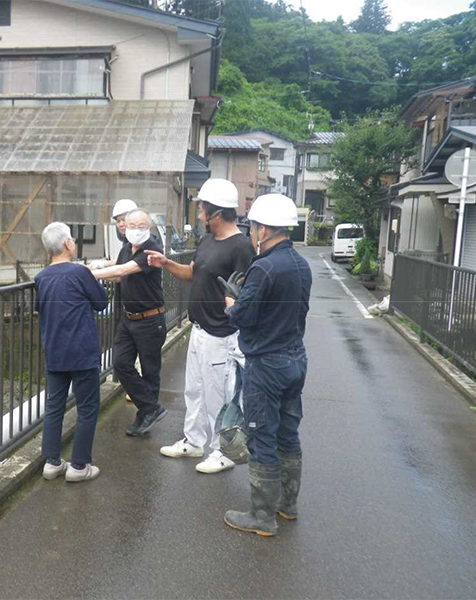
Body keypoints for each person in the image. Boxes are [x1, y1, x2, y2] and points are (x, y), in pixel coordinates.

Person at [145, 179, 255, 473]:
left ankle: (222, 451)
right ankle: (194, 442)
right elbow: (192, 274)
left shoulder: (241, 247)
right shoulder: (207, 242)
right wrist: (165, 263)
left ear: (216, 213)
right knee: (193, 390)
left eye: (202, 208)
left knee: (217, 395)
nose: (199, 213)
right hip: (199, 328)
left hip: (222, 333)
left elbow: (246, 293)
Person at [219, 194, 312, 537]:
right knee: (288, 432)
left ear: (262, 229)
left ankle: (262, 517)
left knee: (262, 437)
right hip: (295, 359)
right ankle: (287, 505)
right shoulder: (301, 264)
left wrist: (233, 303)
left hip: (267, 365)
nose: (253, 233)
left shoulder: (264, 267)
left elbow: (244, 316)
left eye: (254, 228)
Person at [35, 222, 109, 483]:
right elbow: (101, 302)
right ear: (67, 244)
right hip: (81, 350)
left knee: (54, 406)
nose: (74, 244)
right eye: (73, 241)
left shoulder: (41, 278)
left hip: (54, 350)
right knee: (88, 407)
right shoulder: (79, 273)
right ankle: (79, 466)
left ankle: (52, 462)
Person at [91, 209, 167, 437]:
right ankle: (151, 408)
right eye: (131, 225)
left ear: (149, 228)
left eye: (141, 226)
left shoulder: (152, 249)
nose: (134, 230)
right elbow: (118, 274)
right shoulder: (126, 248)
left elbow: (126, 269)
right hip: (129, 318)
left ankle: (144, 415)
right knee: (121, 363)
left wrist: (87, 274)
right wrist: (101, 267)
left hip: (150, 319)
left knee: (150, 371)